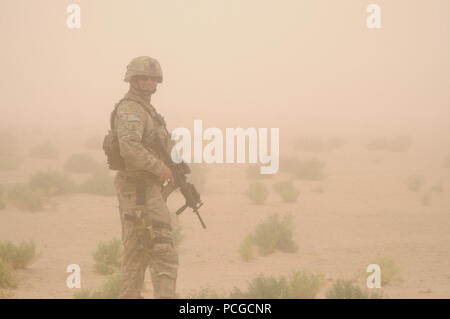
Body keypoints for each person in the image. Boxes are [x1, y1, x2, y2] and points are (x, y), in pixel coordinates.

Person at [113, 56, 178, 299]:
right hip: (138, 190)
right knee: (163, 254)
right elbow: (129, 147)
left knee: (137, 253)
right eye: (144, 78)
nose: (150, 82)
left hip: (144, 189)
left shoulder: (146, 110)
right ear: (133, 80)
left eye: (153, 78)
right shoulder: (131, 109)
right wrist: (161, 168)